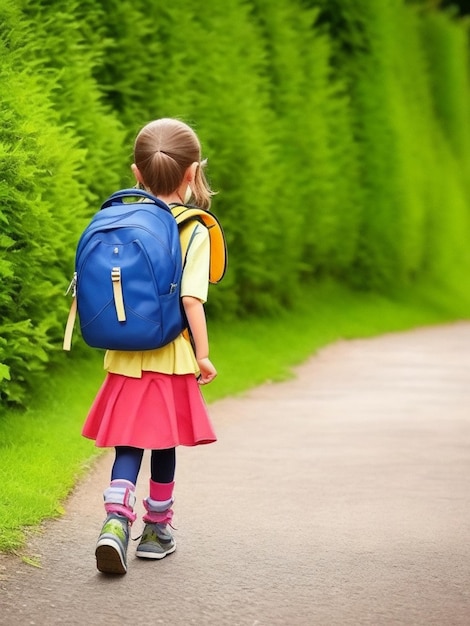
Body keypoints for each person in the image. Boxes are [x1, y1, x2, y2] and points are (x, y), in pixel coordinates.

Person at [82, 118, 219, 575]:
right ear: (193, 172)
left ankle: (114, 524)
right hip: (171, 356)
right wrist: (202, 354)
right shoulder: (194, 229)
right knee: (163, 443)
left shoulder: (118, 220)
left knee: (127, 442)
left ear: (136, 172)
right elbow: (191, 299)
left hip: (123, 357)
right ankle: (157, 531)